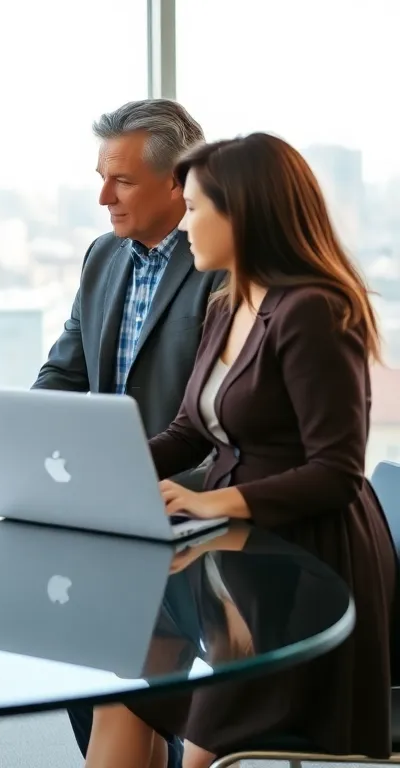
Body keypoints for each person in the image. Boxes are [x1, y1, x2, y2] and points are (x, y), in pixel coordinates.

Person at [84, 133, 394, 767]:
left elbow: (336, 473)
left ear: (244, 213)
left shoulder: (315, 311)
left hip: (304, 569)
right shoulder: (229, 302)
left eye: (195, 207)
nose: (185, 222)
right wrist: (103, 473)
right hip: (236, 561)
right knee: (124, 689)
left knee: (202, 747)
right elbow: (191, 432)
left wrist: (209, 499)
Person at [0, 100, 214, 765]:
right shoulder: (105, 258)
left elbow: (221, 421)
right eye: (101, 176)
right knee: (85, 681)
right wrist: (6, 441)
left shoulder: (220, 267)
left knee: (127, 690)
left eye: (120, 180)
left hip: (184, 529)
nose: (103, 197)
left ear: (178, 182)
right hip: (101, 524)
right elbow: (65, 369)